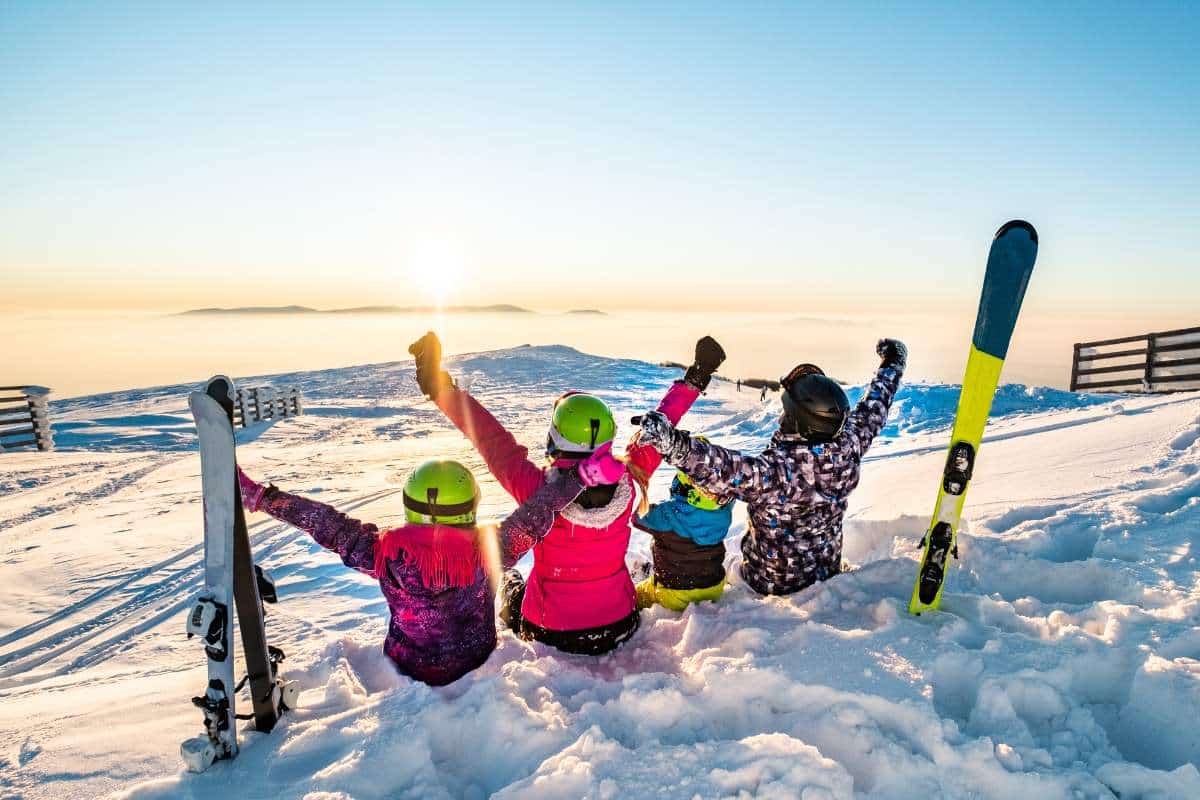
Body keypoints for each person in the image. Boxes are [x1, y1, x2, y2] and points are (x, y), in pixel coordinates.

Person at [409, 331, 726, 655]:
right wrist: (696, 376)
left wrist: (440, 388)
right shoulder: (630, 478)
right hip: (620, 623)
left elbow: (492, 440)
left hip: (550, 631)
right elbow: (660, 427)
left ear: (556, 437)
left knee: (512, 584)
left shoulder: (538, 492)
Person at [235, 449, 622, 685]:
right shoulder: (490, 551)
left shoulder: (382, 553)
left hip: (409, 665)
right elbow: (538, 513)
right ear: (470, 506)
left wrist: (262, 498)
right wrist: (580, 478)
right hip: (476, 658)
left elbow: (324, 523)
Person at [633, 339, 906, 596]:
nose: (782, 417)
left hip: (768, 583)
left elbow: (722, 468)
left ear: (799, 421)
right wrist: (892, 363)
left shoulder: (778, 472)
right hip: (826, 571)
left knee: (726, 573)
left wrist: (672, 443)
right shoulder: (848, 446)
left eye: (787, 412)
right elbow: (874, 409)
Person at [632, 436, 734, 612]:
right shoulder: (723, 511)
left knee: (637, 595)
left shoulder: (668, 514)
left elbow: (637, 516)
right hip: (714, 588)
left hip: (674, 594)